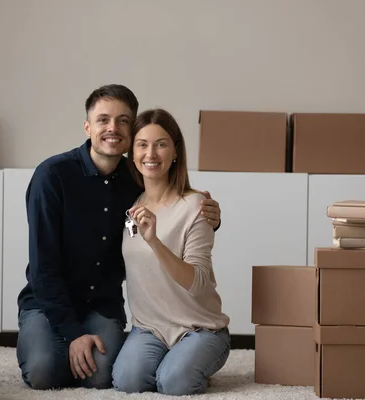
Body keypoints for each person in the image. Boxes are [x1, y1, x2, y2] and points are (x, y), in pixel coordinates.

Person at [15, 84, 222, 390]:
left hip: (101, 305)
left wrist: (211, 218)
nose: (113, 128)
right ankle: (59, 347)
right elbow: (43, 268)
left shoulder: (136, 178)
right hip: (48, 303)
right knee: (44, 372)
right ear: (88, 126)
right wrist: (73, 334)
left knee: (100, 377)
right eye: (103, 120)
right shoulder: (53, 176)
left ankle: (183, 357)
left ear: (132, 130)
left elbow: (175, 207)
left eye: (123, 120)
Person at [111, 108, 231, 396]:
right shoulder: (132, 205)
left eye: (161, 144)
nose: (150, 153)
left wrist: (154, 242)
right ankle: (175, 361)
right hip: (150, 329)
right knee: (128, 381)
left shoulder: (196, 206)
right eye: (142, 144)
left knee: (173, 382)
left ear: (175, 151)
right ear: (133, 154)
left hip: (200, 327)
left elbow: (198, 282)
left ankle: (188, 361)